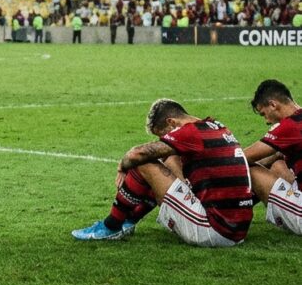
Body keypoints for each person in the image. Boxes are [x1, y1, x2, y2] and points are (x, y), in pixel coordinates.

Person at [71, 99, 253, 247]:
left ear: (171, 122)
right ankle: (128, 221)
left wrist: (123, 165)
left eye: (162, 135)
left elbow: (138, 154)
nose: (162, 140)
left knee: (144, 164)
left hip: (216, 230)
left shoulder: (189, 132)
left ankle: (111, 226)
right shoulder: (215, 126)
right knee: (170, 160)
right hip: (237, 229)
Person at [242, 80, 302, 236]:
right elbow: (275, 155)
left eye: (264, 113)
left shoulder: (290, 126)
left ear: (273, 105)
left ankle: (234, 212)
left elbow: (242, 158)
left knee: (251, 170)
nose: (267, 121)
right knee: (277, 163)